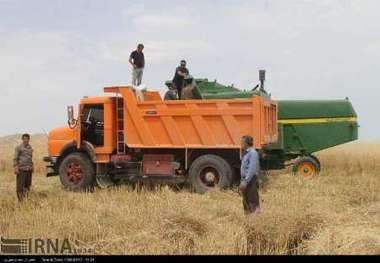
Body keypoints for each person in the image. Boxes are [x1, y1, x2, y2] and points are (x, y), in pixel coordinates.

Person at [239, 135, 260, 214]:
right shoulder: (247, 153)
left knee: (252, 200)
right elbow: (243, 161)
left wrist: (245, 181)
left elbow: (252, 169)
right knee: (246, 201)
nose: (240, 144)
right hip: (246, 180)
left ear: (246, 143)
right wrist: (241, 151)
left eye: (242, 142)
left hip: (251, 180)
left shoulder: (253, 153)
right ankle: (248, 218)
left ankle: (255, 218)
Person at [13, 133, 34, 201]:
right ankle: (20, 200)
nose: (26, 140)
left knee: (27, 185)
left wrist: (32, 166)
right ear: (22, 139)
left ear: (29, 140)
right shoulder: (18, 148)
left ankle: (26, 198)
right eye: (24, 139)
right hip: (21, 169)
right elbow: (15, 158)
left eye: (27, 139)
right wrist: (16, 167)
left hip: (29, 169)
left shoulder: (30, 148)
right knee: (20, 186)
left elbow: (30, 158)